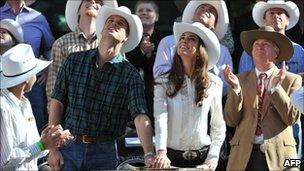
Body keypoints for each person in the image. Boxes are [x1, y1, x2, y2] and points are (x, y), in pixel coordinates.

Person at [48, 5, 155, 170]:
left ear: (126, 37)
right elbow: (57, 102)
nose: (114, 23)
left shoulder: (130, 75)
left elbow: (140, 115)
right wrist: (53, 149)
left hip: (104, 151)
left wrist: (148, 153)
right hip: (69, 146)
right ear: (102, 28)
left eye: (120, 23)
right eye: (110, 20)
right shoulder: (73, 60)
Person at [224, 26, 302, 170]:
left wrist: (276, 88)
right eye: (256, 44)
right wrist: (236, 89)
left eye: (266, 44)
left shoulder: (293, 80)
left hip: (281, 156)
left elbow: (292, 118)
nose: (260, 46)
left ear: (276, 52)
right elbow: (231, 119)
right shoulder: (238, 79)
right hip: (244, 155)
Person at [153, 22, 226, 169]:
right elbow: (160, 117)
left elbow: (218, 125)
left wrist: (211, 159)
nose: (184, 41)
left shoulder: (214, 83)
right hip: (170, 159)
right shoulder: (163, 81)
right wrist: (161, 152)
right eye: (182, 38)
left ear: (201, 50)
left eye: (191, 38)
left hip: (202, 159)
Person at [0, 44, 72, 170]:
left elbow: (34, 149)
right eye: (35, 73)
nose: (36, 76)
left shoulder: (25, 103)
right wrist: (42, 145)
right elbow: (5, 159)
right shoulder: (3, 108)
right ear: (27, 79)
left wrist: (48, 140)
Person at [46, 0, 117, 111]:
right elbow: (53, 86)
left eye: (98, 1)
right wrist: (54, 120)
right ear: (78, 10)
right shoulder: (61, 43)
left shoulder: (112, 43)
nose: (93, 1)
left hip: (102, 115)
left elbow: (118, 82)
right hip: (70, 114)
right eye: (87, 0)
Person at [153, 0, 233, 96]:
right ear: (192, 16)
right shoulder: (168, 42)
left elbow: (224, 88)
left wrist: (208, 74)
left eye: (211, 10)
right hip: (173, 101)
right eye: (202, 7)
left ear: (214, 25)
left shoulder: (223, 51)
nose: (205, 9)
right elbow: (159, 76)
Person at [1, 0, 55, 133]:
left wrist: (47, 68)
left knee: (34, 124)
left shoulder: (38, 17)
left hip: (31, 82)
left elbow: (50, 48)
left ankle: (38, 153)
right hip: (2, 81)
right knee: (5, 127)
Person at [126, 0, 170, 121]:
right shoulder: (125, 38)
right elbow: (125, 66)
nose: (144, 13)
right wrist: (140, 52)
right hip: (130, 99)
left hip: (158, 98)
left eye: (149, 10)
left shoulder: (164, 41)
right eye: (140, 10)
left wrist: (150, 56)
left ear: (157, 17)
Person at [238, 0, 304, 74]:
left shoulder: (299, 50)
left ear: (287, 20)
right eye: (271, 13)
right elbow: (244, 82)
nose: (275, 16)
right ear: (264, 20)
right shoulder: (250, 51)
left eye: (279, 13)